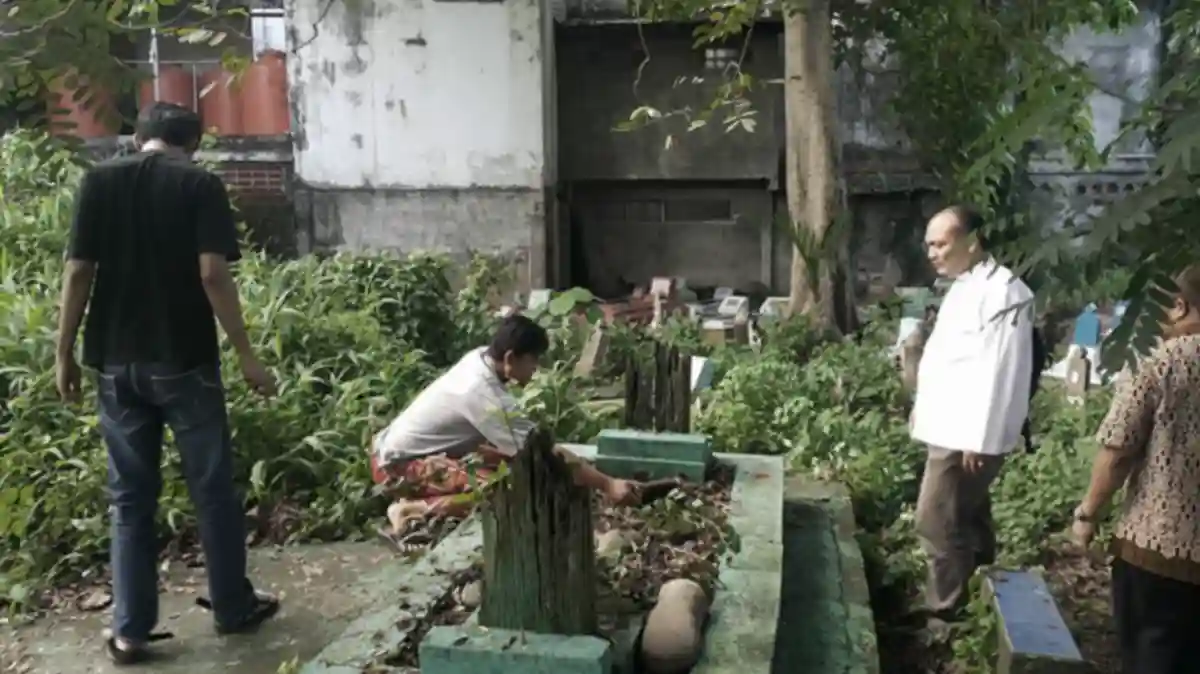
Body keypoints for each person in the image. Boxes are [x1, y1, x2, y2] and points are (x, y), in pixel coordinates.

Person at [55, 102, 280, 665]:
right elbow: (212, 272)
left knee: (129, 498)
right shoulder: (199, 185)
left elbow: (78, 271)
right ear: (193, 144)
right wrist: (247, 355)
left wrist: (64, 354)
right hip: (183, 360)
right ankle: (232, 606)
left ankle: (129, 631)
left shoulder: (98, 182)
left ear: (137, 138)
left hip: (113, 363)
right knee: (211, 488)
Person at [371, 314, 642, 535]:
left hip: (395, 452)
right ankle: (414, 509)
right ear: (511, 358)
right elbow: (542, 453)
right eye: (533, 361)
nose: (536, 369)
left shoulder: (480, 359)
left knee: (507, 466)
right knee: (506, 491)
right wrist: (607, 485)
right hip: (400, 468)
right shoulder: (481, 394)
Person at [909, 205, 1035, 630]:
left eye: (940, 243)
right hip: (950, 427)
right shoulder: (965, 285)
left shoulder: (1004, 293)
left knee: (935, 520)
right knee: (968, 516)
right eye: (929, 243)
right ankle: (983, 598)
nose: (932, 252)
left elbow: (1003, 371)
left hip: (968, 434)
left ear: (972, 241)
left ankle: (945, 613)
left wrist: (981, 439)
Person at [1070, 265, 1200, 674]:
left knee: (1152, 656)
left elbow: (1117, 450)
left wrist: (1087, 514)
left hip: (1157, 551)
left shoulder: (1161, 361)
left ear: (1179, 306)